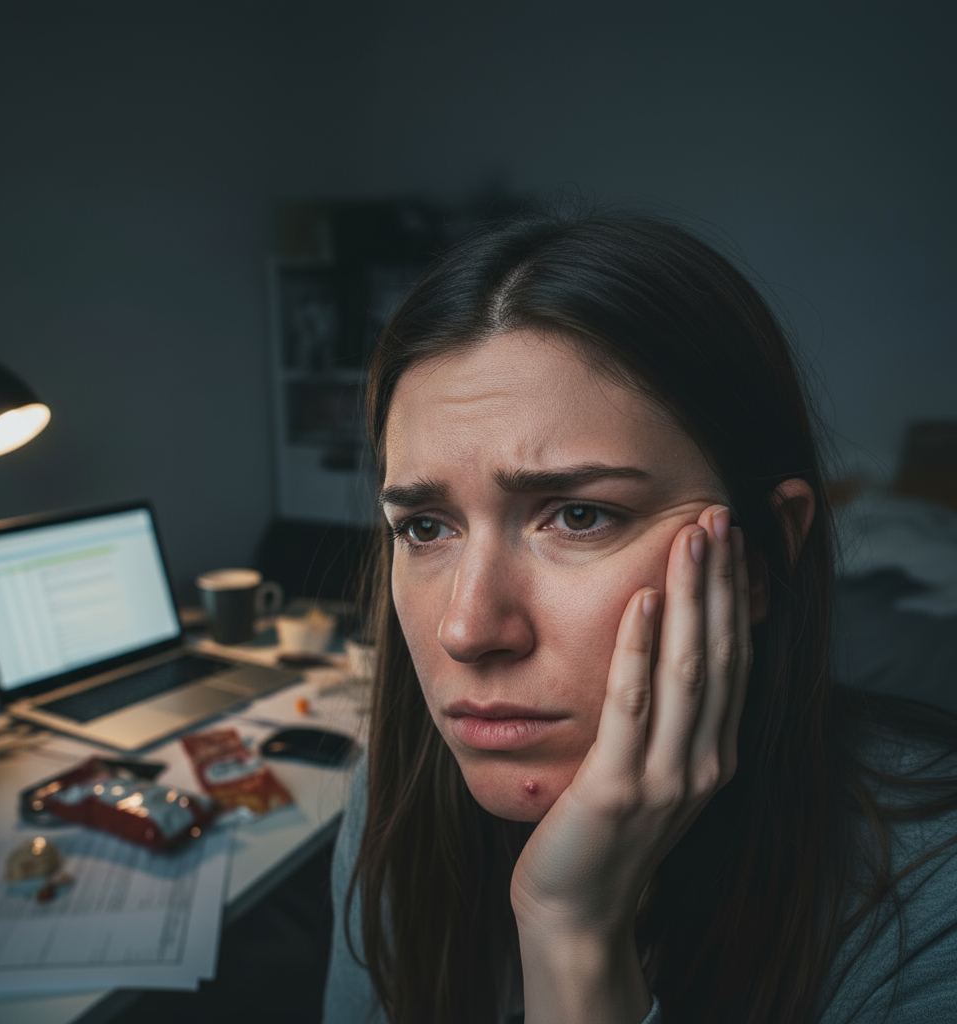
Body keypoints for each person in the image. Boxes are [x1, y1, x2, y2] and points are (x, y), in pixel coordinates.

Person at [321, 214, 957, 1024]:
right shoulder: (396, 787)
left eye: (579, 515)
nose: (468, 628)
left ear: (765, 558)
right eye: (425, 527)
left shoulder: (934, 903)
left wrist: (573, 937)